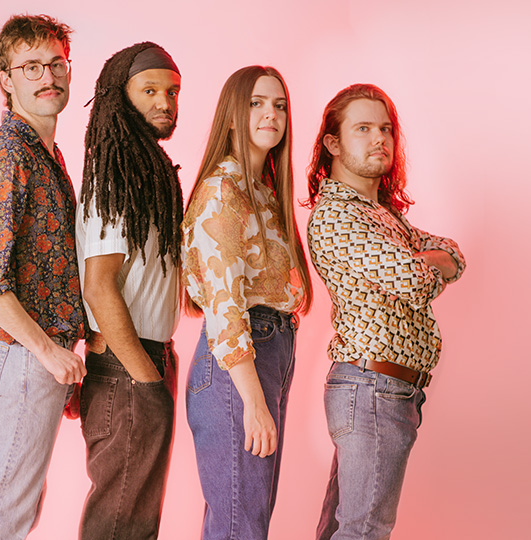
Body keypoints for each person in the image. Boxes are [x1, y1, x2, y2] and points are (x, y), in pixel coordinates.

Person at [306, 83, 465, 539]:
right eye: (363, 128)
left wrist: (426, 260)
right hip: (372, 387)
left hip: (387, 390)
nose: (380, 139)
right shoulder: (338, 214)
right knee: (364, 531)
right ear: (333, 144)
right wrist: (426, 263)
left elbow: (454, 253)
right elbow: (415, 280)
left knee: (349, 528)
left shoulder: (383, 216)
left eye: (386, 129)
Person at [0, 14, 86, 540]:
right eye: (31, 66)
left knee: (18, 509)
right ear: (6, 80)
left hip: (38, 358)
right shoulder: (7, 154)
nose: (47, 76)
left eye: (56, 63)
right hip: (23, 354)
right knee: (1, 515)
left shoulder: (47, 153)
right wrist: (49, 352)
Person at [181, 65, 313, 540]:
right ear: (233, 116)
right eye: (257, 103)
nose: (271, 113)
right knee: (241, 527)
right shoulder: (224, 189)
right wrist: (254, 400)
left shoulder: (262, 190)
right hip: (238, 364)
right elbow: (223, 305)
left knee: (243, 522)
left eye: (279, 105)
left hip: (268, 354)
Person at [75, 42, 183, 540]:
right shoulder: (112, 175)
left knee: (136, 521)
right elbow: (99, 288)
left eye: (172, 91)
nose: (165, 102)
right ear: (121, 97)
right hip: (129, 365)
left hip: (147, 360)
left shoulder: (150, 171)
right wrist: (145, 375)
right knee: (119, 521)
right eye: (150, 91)